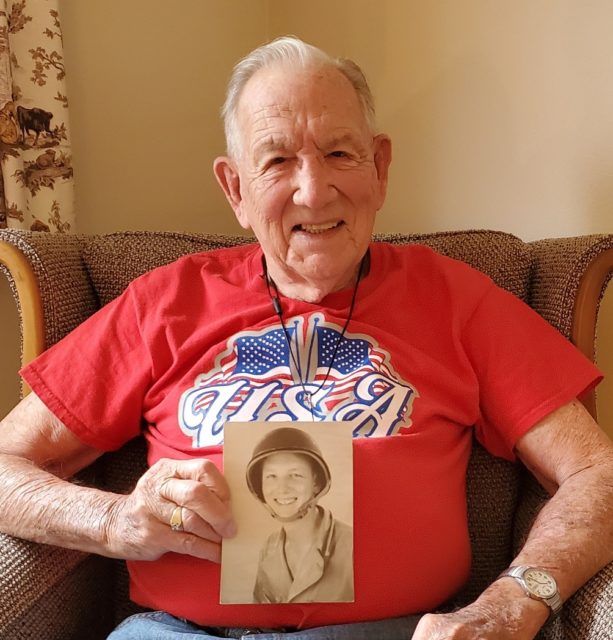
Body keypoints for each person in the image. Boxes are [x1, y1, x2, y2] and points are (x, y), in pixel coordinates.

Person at [0, 35, 611, 640]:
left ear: (380, 166)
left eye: (340, 154)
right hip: (178, 635)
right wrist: (114, 519)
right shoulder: (161, 304)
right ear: (235, 189)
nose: (315, 191)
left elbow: (597, 473)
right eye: (277, 160)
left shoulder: (459, 301)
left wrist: (513, 601)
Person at [245, 427, 353, 604]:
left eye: (295, 475)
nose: (282, 488)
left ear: (316, 483)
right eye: (271, 476)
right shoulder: (269, 549)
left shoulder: (350, 544)